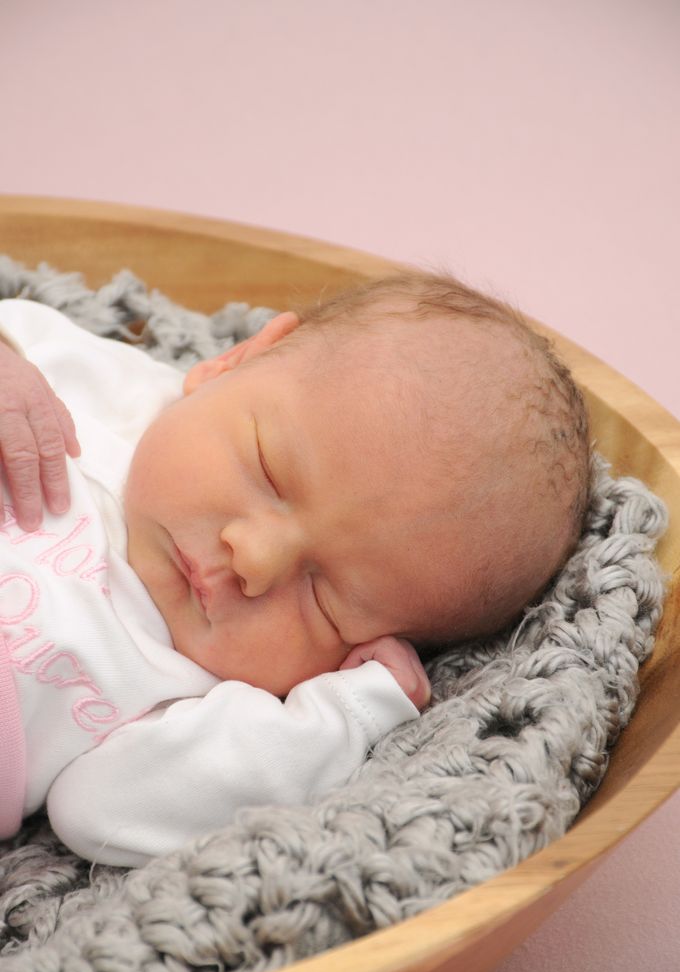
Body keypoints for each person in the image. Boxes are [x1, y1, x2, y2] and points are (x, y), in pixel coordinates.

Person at [0, 271, 589, 867]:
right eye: (269, 472)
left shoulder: (199, 702)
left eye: (325, 600)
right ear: (236, 361)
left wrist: (349, 711)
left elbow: (98, 812)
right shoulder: (99, 385)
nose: (255, 558)